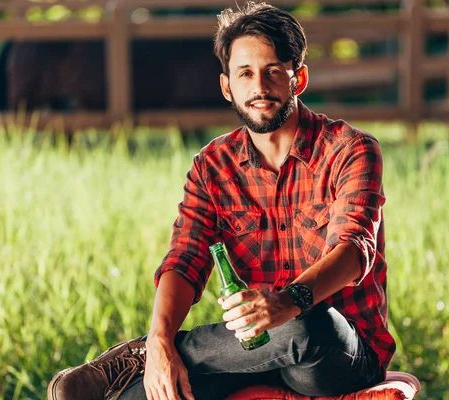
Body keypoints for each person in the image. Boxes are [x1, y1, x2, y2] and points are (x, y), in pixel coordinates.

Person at [47, 2, 395, 399]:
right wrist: (161, 340)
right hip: (254, 348)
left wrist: (287, 301)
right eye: (245, 73)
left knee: (303, 324)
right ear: (227, 85)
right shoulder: (212, 166)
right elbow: (185, 259)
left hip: (339, 351)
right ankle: (149, 353)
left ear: (298, 79)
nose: (259, 88)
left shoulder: (351, 149)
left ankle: (141, 354)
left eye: (273, 72)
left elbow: (353, 252)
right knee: (142, 393)